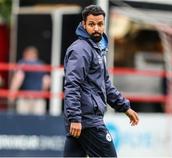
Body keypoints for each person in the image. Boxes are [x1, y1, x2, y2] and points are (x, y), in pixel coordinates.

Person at [63, 5, 139, 157]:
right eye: (92, 24)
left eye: (100, 24)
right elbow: (72, 85)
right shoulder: (81, 50)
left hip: (83, 121)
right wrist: (75, 118)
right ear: (84, 25)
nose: (96, 28)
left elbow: (105, 85)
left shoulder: (96, 49)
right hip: (87, 122)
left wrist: (125, 107)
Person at [9, 46, 50, 115]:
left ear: (26, 54)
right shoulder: (41, 64)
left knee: (23, 122)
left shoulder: (23, 63)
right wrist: (41, 94)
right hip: (38, 98)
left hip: (25, 98)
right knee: (39, 123)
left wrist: (11, 94)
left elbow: (19, 77)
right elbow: (46, 80)